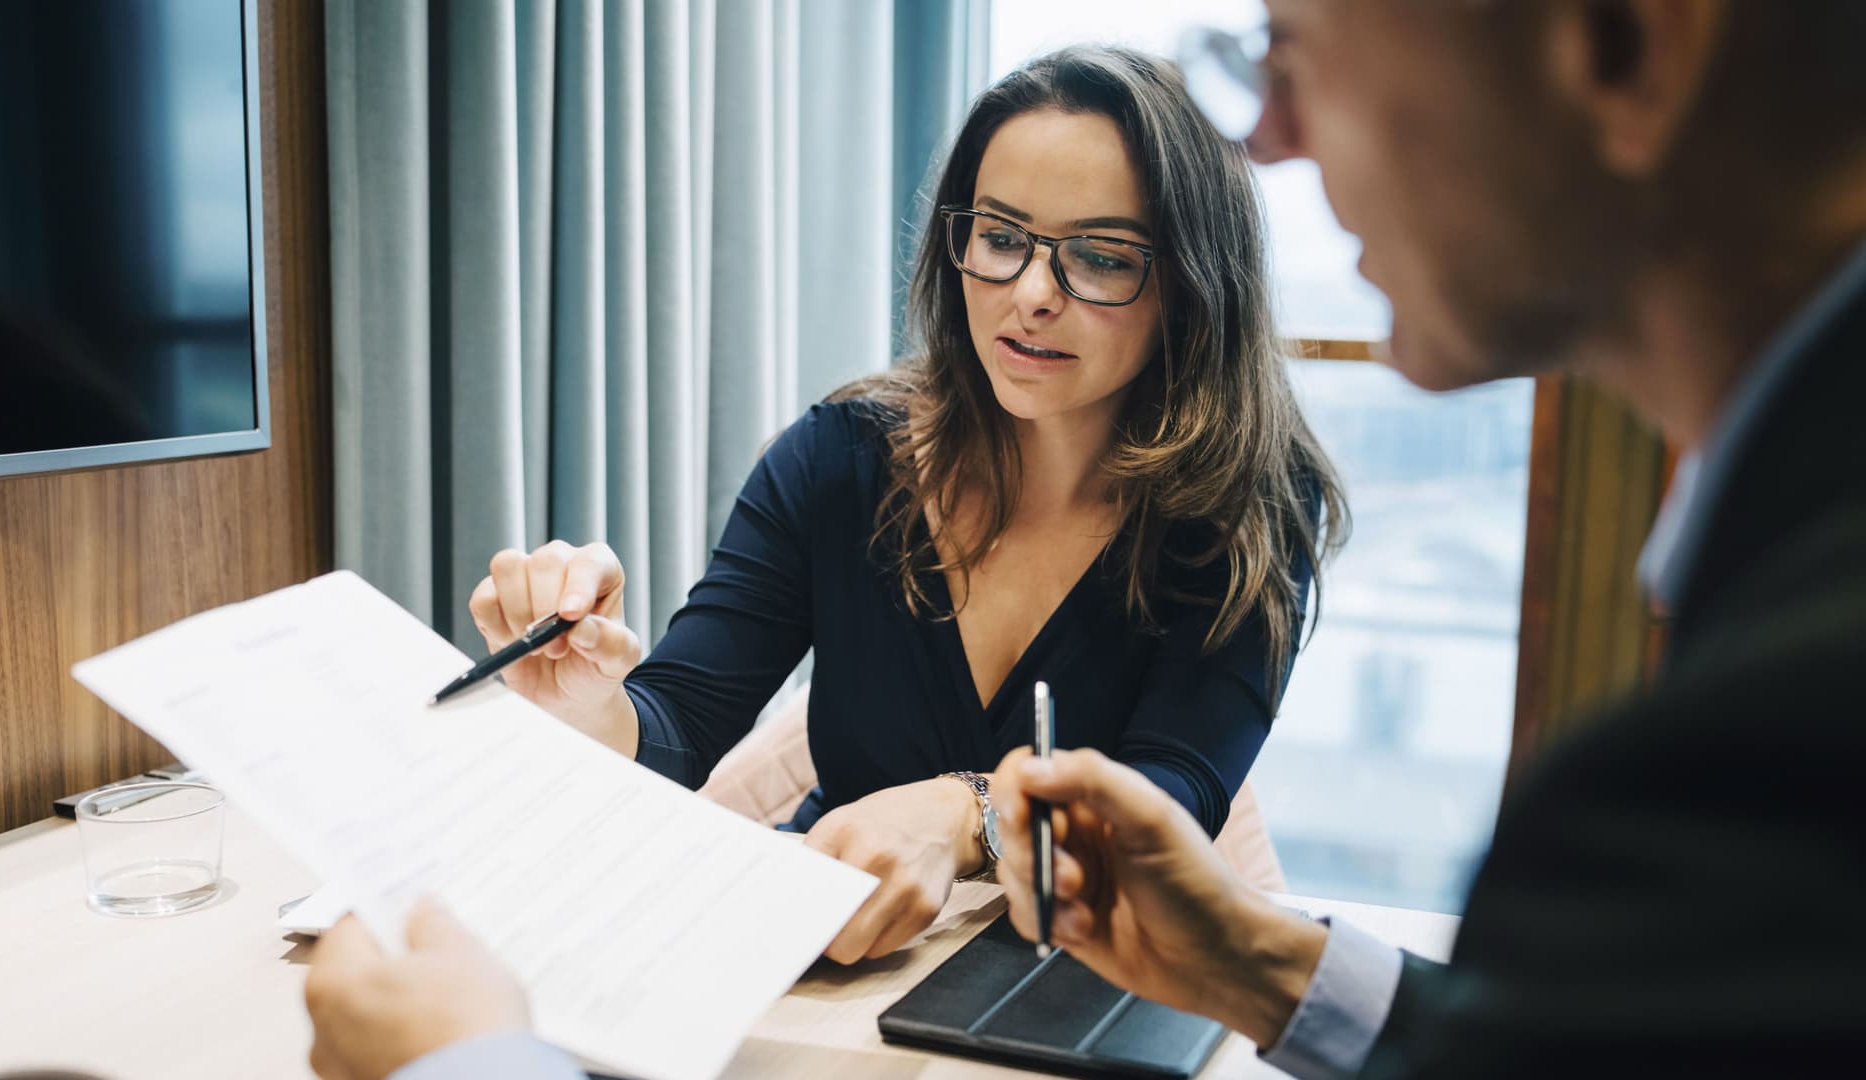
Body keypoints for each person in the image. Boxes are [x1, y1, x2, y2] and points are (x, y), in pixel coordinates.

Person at [301, 42, 1345, 1080]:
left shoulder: (1247, 509)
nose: (1031, 292)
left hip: (1067, 1011)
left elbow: (1175, 792)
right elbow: (679, 725)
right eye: (1000, 236)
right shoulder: (840, 461)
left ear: (1191, 286)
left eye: (1102, 256)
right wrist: (593, 707)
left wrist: (964, 812)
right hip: (833, 987)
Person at [985, 1, 1866, 1078]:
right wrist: (1251, 961)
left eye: (1297, 55)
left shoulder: (1763, 756)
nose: (1269, 136)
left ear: (1628, 48)